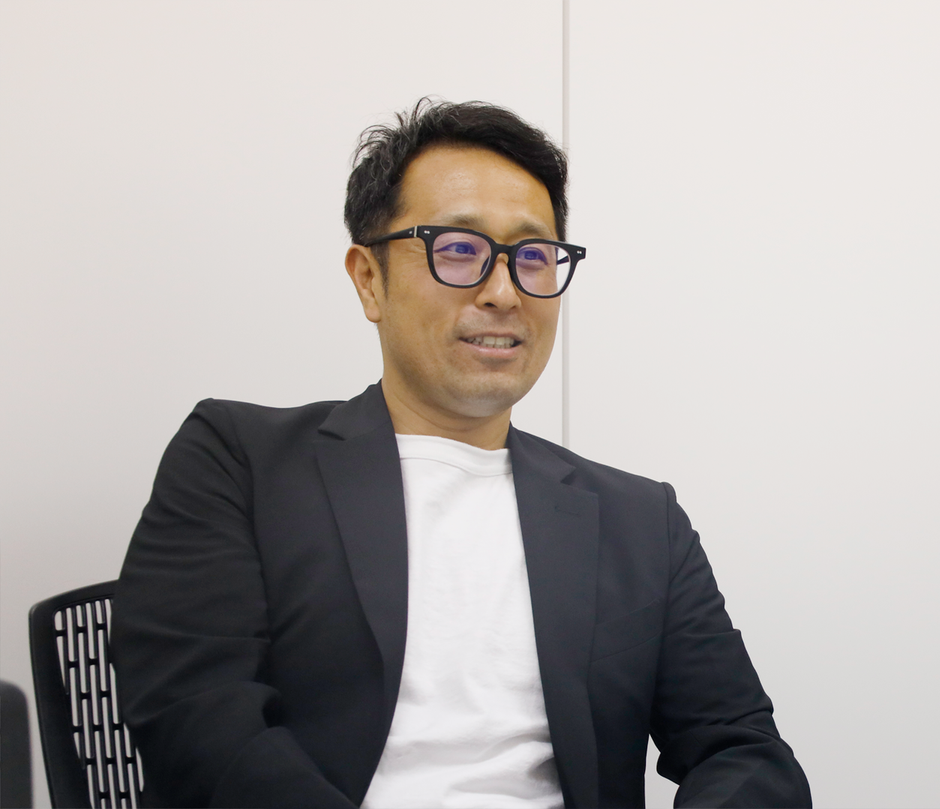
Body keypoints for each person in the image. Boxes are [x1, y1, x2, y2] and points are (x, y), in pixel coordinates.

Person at [113, 99, 809, 809]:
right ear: (369, 279)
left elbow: (743, 751)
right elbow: (197, 718)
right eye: (457, 249)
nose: (504, 292)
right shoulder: (241, 462)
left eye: (533, 257)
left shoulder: (639, 520)